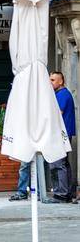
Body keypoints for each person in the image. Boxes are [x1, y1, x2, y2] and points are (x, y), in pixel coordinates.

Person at [50, 72, 76, 202]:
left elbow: (57, 114)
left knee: (58, 163)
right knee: (63, 163)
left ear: (61, 81)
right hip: (63, 133)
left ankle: (61, 193)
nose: (50, 82)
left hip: (61, 134)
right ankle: (67, 192)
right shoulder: (60, 94)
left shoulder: (62, 95)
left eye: (53, 80)